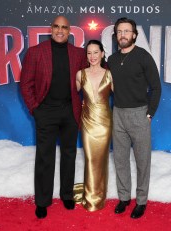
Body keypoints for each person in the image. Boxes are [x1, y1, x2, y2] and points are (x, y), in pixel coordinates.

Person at [20, 16, 87, 219]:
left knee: (69, 154)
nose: (60, 30)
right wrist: (36, 109)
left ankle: (67, 195)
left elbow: (97, 70)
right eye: (57, 26)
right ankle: (42, 201)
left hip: (70, 111)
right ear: (51, 29)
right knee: (44, 157)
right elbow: (25, 84)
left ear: (69, 31)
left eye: (64, 27)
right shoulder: (35, 52)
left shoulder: (79, 53)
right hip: (46, 112)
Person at [108, 17, 161, 219]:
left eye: (127, 31)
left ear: (134, 35)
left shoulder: (143, 57)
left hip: (140, 113)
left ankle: (141, 201)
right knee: (120, 160)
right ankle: (124, 198)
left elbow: (156, 87)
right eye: (120, 31)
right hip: (118, 114)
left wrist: (150, 113)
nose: (123, 35)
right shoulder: (111, 60)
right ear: (116, 36)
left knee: (142, 162)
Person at [75, 40, 113, 211]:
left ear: (102, 54)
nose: (92, 56)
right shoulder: (80, 74)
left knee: (102, 159)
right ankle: (91, 197)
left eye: (96, 52)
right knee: (90, 159)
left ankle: (100, 194)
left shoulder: (110, 74)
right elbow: (71, 96)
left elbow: (123, 96)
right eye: (89, 53)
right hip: (88, 122)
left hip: (105, 123)